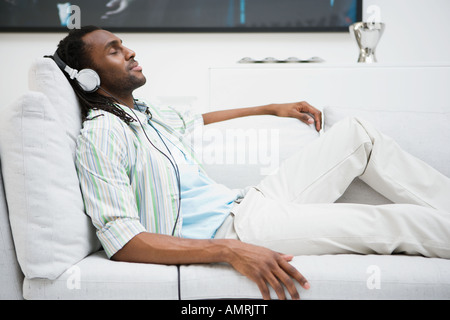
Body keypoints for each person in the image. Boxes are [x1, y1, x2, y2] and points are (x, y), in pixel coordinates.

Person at [52, 26, 450, 300]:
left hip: (249, 203)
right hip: (240, 230)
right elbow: (123, 241)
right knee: (389, 221)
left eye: (124, 44)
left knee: (356, 134)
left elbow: (196, 120)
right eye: (114, 50)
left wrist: (270, 107)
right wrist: (227, 250)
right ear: (89, 78)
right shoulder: (103, 132)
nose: (131, 51)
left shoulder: (143, 113)